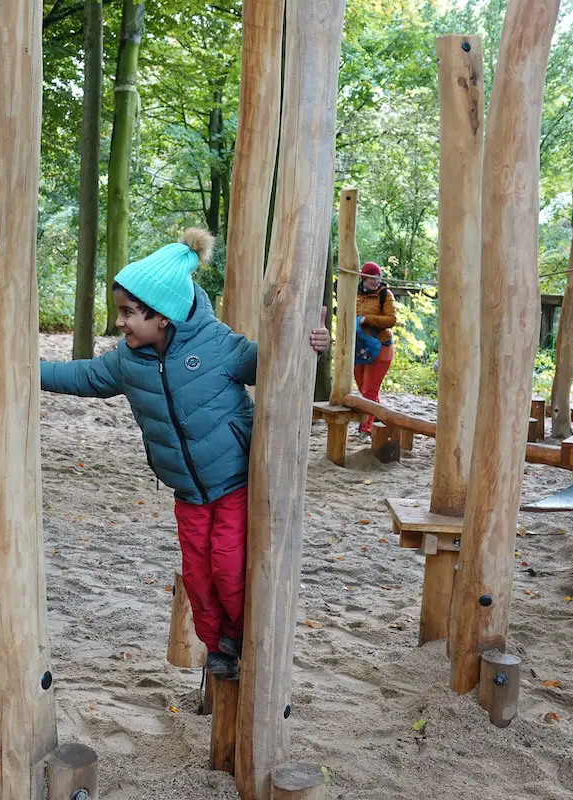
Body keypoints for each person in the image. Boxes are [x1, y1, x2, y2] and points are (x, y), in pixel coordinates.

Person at [40, 229, 331, 680]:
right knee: (197, 576)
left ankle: (237, 636)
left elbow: (272, 358)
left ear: (163, 317)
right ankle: (217, 648)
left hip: (234, 483)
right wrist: (23, 365)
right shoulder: (126, 362)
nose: (120, 322)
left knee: (229, 566)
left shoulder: (217, 346)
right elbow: (79, 377)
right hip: (188, 491)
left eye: (128, 313)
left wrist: (308, 343)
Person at [353, 261, 397, 435]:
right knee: (362, 385)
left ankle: (365, 428)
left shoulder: (385, 294)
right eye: (372, 277)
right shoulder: (354, 292)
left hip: (381, 346)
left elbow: (391, 320)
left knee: (369, 391)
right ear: (364, 277)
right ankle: (380, 416)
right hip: (360, 346)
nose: (375, 280)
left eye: (378, 276)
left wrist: (367, 319)